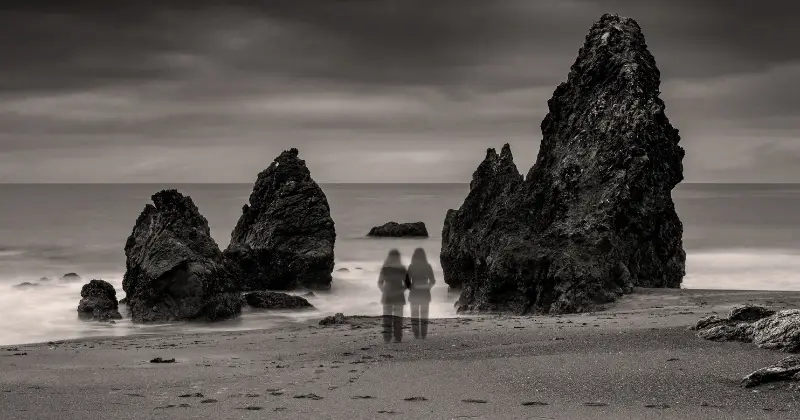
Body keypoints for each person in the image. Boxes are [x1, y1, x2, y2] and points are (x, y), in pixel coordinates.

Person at [378, 249, 408, 343]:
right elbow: (408, 284)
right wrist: (401, 289)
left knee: (387, 318)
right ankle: (397, 338)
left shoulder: (385, 269)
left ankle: (387, 338)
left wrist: (384, 290)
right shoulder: (402, 269)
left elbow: (380, 283)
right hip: (399, 295)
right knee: (398, 318)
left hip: (387, 296)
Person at [405, 247, 435, 339]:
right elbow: (432, 281)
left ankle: (416, 334)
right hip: (425, 293)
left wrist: (412, 288)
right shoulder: (428, 266)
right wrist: (427, 287)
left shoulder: (411, 266)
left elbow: (406, 281)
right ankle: (423, 335)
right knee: (424, 315)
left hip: (414, 293)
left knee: (414, 315)